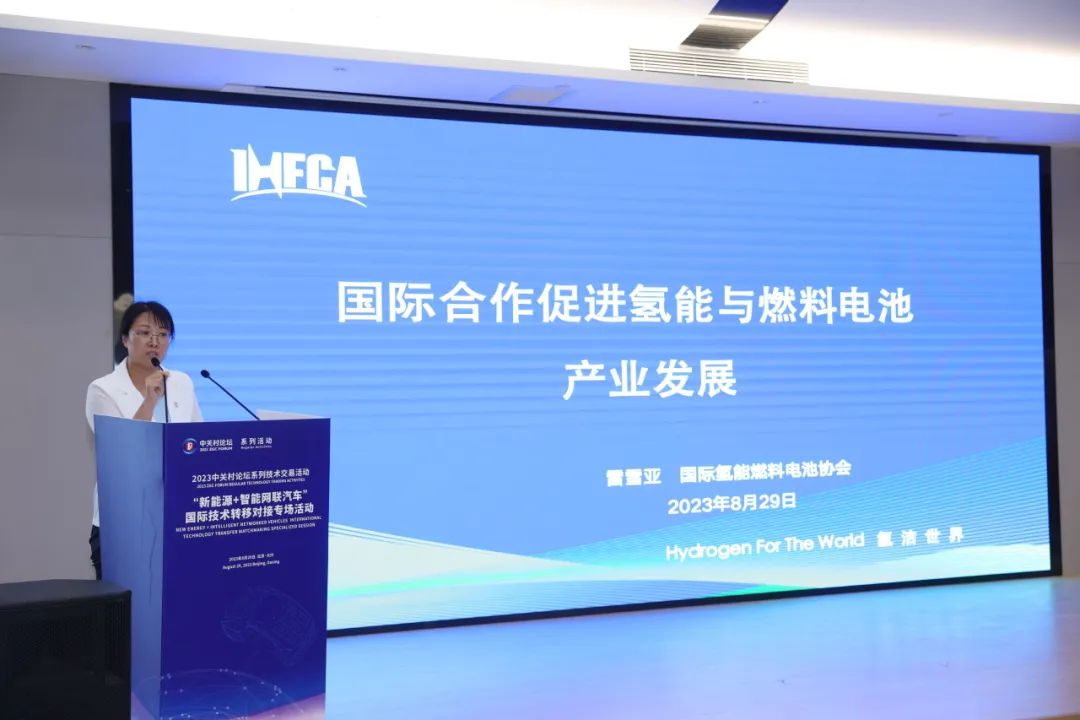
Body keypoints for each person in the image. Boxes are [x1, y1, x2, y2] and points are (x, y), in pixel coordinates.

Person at [85, 300, 203, 579]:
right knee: (127, 602)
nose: (154, 342)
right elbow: (122, 452)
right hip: (124, 518)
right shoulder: (103, 389)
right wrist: (149, 401)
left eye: (163, 334)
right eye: (145, 333)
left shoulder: (181, 383)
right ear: (125, 339)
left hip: (176, 515)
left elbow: (198, 439)